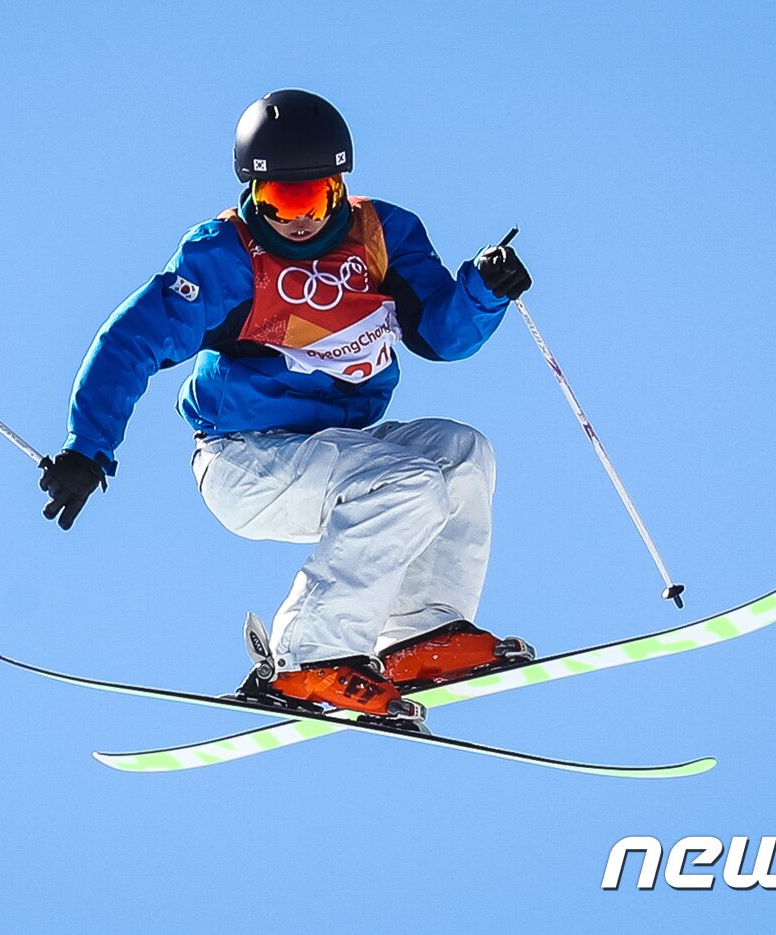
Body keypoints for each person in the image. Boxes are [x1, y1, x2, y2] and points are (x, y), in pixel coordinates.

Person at [39, 89, 534, 722]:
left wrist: (483, 292)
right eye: (278, 199)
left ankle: (420, 634)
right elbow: (130, 342)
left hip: (338, 453)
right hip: (246, 458)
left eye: (312, 196)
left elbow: (440, 334)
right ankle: (309, 659)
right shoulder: (226, 258)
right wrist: (88, 447)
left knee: (462, 454)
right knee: (408, 484)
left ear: (338, 187)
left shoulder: (382, 235)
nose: (296, 218)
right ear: (254, 193)